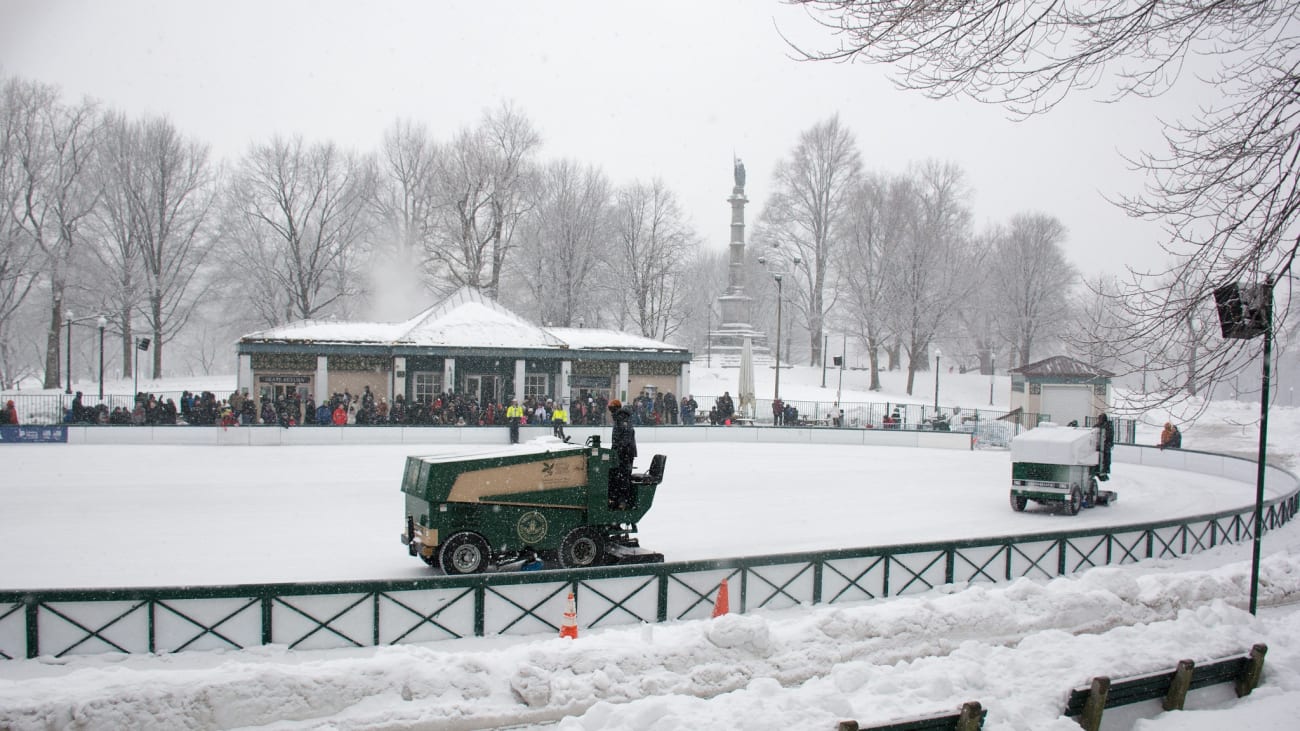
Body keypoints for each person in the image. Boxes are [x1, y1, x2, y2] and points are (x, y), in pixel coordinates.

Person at [609, 399, 637, 509]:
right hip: (620, 452)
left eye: (611, 408)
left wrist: (619, 449)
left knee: (623, 477)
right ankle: (615, 499)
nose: (610, 411)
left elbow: (627, 436)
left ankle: (622, 501)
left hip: (626, 453)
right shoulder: (619, 418)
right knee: (615, 475)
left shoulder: (622, 418)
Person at [1096, 412, 1115, 480]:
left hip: (1105, 446)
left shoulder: (1107, 426)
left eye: (1100, 419)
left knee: (1104, 458)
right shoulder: (1098, 425)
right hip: (1100, 446)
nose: (1099, 420)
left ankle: (1103, 471)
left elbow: (1108, 436)